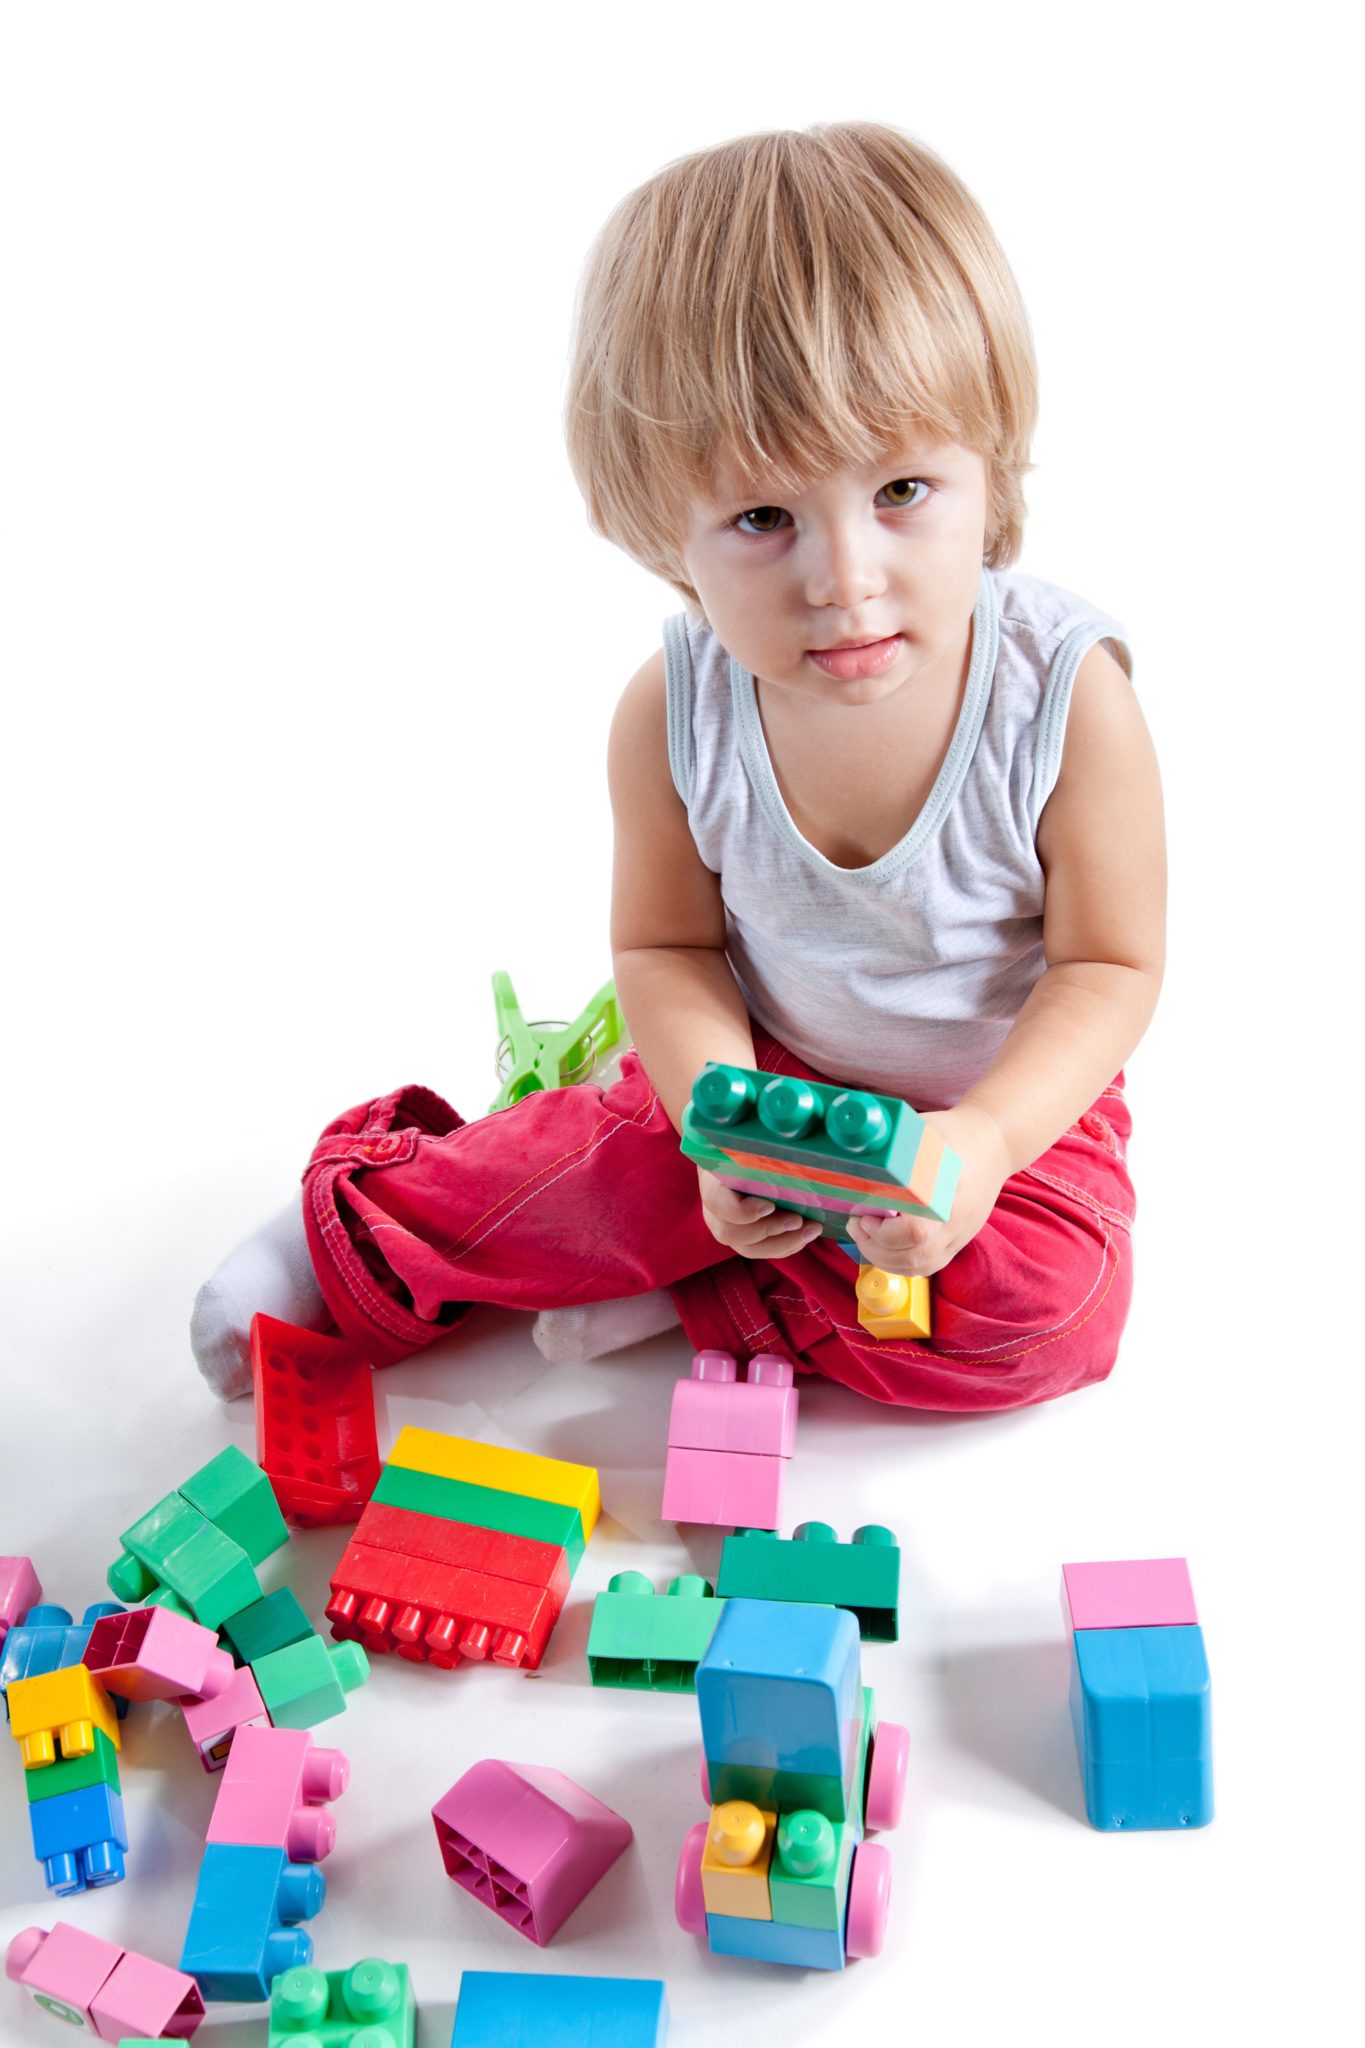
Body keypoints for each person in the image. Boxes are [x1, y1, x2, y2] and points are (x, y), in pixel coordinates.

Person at [192, 121, 1164, 1413]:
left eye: (902, 491)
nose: (842, 579)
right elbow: (667, 951)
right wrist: (718, 1119)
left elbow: (1107, 968)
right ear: (666, 532)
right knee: (610, 1162)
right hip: (753, 1079)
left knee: (1041, 1317)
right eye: (763, 519)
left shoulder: (1063, 697)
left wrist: (979, 1145)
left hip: (993, 1109)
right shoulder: (675, 707)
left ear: (991, 464)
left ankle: (668, 1281)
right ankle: (360, 1231)